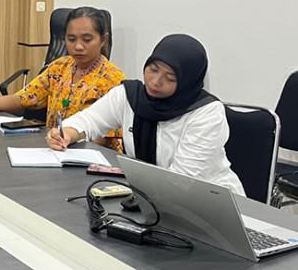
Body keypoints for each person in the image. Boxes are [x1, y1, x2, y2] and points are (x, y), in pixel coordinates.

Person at [46, 34, 245, 195]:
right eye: (153, 69)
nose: (156, 81)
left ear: (187, 81)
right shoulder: (130, 96)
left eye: (170, 78)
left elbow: (182, 180)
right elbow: (88, 120)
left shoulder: (206, 113)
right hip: (150, 197)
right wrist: (66, 133)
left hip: (212, 203)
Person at [0, 7, 125, 150]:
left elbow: (106, 137)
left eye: (87, 39)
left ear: (103, 40)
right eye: (71, 39)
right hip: (54, 149)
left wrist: (68, 143)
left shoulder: (113, 79)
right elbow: (22, 98)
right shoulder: (60, 67)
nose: (78, 46)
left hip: (90, 157)